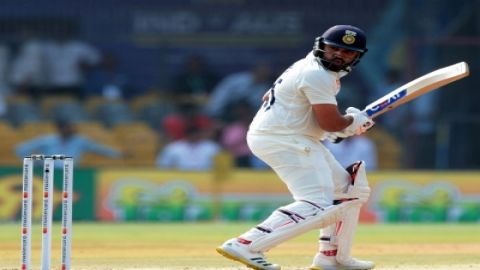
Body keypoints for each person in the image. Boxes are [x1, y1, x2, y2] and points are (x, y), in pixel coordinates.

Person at [216, 25, 375, 270]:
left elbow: (299, 109)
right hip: (284, 138)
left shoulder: (309, 67)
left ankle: (332, 258)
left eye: (348, 52)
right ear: (321, 46)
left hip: (292, 136)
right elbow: (331, 122)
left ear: (357, 56)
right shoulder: (318, 74)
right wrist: (352, 123)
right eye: (334, 48)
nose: (339, 55)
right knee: (317, 203)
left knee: (349, 190)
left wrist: (337, 128)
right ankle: (246, 243)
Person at [15, 119, 122, 167]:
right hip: (49, 172)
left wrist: (118, 154)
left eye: (71, 127)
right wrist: (35, 161)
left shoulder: (80, 141)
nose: (71, 129)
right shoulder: (47, 140)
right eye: (67, 127)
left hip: (72, 172)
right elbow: (20, 149)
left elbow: (99, 149)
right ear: (60, 129)